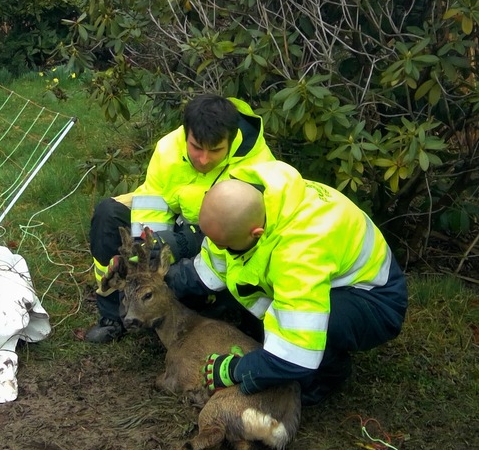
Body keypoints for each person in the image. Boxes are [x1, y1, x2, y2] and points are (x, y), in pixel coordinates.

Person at [165, 171, 408, 406]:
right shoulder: (253, 187)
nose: (217, 247)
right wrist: (172, 282)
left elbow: (297, 345)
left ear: (256, 233)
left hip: (375, 299)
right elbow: (219, 256)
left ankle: (325, 378)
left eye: (224, 244)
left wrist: (236, 370)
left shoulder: (299, 255)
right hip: (334, 274)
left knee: (314, 332)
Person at [85, 93, 276, 343]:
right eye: (196, 147)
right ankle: (115, 315)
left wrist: (175, 245)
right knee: (108, 213)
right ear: (186, 134)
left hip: (221, 237)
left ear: (231, 140)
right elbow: (152, 203)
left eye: (215, 150)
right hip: (179, 222)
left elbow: (237, 231)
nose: (204, 159)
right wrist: (145, 252)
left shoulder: (256, 164)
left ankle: (216, 317)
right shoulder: (168, 148)